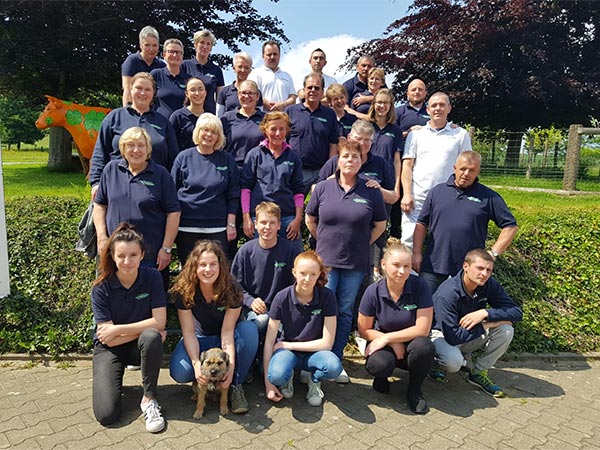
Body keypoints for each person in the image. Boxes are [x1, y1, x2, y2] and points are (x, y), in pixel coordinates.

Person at [306, 141, 387, 383]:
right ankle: (316, 357)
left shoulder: (371, 190)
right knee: (321, 309)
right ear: (338, 160)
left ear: (362, 161)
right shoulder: (322, 188)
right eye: (346, 156)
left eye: (355, 156)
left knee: (343, 311)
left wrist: (363, 243)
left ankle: (336, 359)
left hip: (355, 264)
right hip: (326, 263)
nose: (350, 160)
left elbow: (380, 225)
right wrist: (325, 242)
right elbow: (311, 219)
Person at [91, 223, 167, 433]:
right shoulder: (101, 287)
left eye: (133, 255)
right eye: (121, 256)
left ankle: (149, 398)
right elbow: (107, 340)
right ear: (112, 256)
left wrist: (116, 329)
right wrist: (146, 328)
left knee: (152, 337)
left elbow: (160, 321)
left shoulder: (152, 277)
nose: (127, 261)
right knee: (106, 415)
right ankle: (112, 382)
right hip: (109, 350)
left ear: (142, 254)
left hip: (139, 346)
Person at [169, 240, 259, 414]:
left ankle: (235, 385)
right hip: (199, 338)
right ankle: (202, 383)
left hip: (225, 337)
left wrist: (230, 369)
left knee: (249, 330)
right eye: (202, 265)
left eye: (212, 264)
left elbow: (227, 333)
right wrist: (196, 365)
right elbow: (188, 332)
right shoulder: (185, 290)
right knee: (180, 372)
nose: (208, 270)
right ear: (194, 266)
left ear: (221, 266)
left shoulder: (232, 289)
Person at [413, 151, 519, 293]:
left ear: (478, 172)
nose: (466, 173)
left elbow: (511, 227)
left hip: (468, 270)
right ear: (454, 168)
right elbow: (421, 224)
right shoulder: (437, 192)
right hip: (433, 266)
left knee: (464, 313)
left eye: (472, 170)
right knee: (426, 309)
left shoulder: (489, 197)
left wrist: (492, 254)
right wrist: (416, 253)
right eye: (463, 169)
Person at [93, 127, 181, 289]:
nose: (136, 150)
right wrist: (102, 238)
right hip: (115, 254)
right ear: (123, 148)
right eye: (130, 145)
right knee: (114, 299)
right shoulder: (110, 170)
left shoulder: (161, 174)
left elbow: (173, 213)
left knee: (150, 303)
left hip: (150, 255)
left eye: (141, 145)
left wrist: (166, 249)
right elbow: (99, 205)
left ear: (148, 148)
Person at [431, 248, 523, 398]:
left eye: (489, 270)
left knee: (506, 330)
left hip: (467, 333)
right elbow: (452, 336)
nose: (484, 274)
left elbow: (516, 312)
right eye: (480, 268)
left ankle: (478, 372)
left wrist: (485, 313)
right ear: (465, 266)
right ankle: (436, 362)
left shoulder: (488, 284)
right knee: (453, 363)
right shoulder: (447, 293)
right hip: (443, 335)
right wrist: (487, 324)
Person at [358, 238, 434, 414]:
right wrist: (389, 342)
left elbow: (423, 329)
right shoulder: (373, 291)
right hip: (384, 344)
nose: (401, 271)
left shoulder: (420, 286)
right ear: (383, 264)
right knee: (377, 365)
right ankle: (382, 376)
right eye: (396, 265)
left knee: (425, 347)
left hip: (411, 344)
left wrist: (389, 337)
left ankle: (415, 390)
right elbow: (364, 329)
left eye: (406, 266)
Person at [263, 251, 342, 407]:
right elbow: (269, 342)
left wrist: (289, 345)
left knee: (334, 367)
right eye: (303, 273)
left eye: (313, 274)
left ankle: (314, 381)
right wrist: (268, 384)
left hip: (315, 352)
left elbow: (327, 344)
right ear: (294, 272)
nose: (307, 279)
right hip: (287, 353)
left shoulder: (328, 296)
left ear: (319, 274)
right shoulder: (281, 297)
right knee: (276, 375)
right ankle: (287, 377)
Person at [401, 92, 472, 247]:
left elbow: (467, 167)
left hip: (448, 198)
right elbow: (407, 166)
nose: (438, 108)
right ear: (427, 110)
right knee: (408, 242)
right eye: (434, 105)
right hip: (418, 197)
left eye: (442, 105)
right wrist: (406, 194)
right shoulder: (416, 135)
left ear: (449, 108)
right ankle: (409, 272)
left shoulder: (460, 134)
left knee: (444, 243)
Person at [89, 72, 179, 194]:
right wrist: (96, 183)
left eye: (147, 89)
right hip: (115, 187)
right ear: (131, 90)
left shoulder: (164, 123)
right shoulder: (114, 117)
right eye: (138, 88)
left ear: (153, 94)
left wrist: (171, 188)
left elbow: (173, 160)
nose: (143, 93)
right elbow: (100, 153)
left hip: (154, 190)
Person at [171, 113, 240, 265]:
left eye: (214, 132)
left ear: (219, 136)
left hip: (217, 227)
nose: (209, 135)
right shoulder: (183, 158)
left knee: (217, 272)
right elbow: (171, 195)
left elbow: (233, 194)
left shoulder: (226, 159)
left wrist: (231, 224)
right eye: (205, 130)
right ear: (197, 132)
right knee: (189, 273)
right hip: (186, 227)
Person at [231, 202, 299, 337]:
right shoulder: (245, 251)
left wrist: (281, 306)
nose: (267, 227)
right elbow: (234, 285)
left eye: (272, 223)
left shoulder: (290, 250)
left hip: (282, 309)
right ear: (256, 224)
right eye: (263, 222)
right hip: (252, 309)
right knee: (260, 323)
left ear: (279, 225)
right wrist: (250, 301)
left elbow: (296, 285)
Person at [241, 111, 304, 251]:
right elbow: (246, 188)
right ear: (265, 129)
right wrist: (247, 218)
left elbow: (298, 191)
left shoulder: (293, 157)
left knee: (295, 260)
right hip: (260, 219)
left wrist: (298, 219)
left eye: (282, 129)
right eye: (273, 129)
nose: (278, 133)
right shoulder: (254, 155)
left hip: (287, 218)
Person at [317, 120, 397, 205]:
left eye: (367, 140)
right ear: (349, 138)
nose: (362, 143)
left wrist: (378, 190)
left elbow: (392, 198)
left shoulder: (381, 163)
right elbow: (315, 189)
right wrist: (329, 184)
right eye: (358, 139)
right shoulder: (335, 161)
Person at [285, 73, 339, 192]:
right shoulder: (291, 111)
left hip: (322, 172)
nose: (313, 90)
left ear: (322, 92)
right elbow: (283, 141)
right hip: (297, 171)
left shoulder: (330, 114)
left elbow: (333, 144)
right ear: (304, 90)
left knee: (321, 209)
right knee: (295, 208)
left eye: (317, 88)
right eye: (309, 87)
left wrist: (331, 170)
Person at [390, 78, 429, 239]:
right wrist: (409, 131)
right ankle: (395, 233)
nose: (417, 92)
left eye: (420, 89)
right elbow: (392, 135)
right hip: (402, 159)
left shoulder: (431, 111)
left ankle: (423, 231)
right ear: (407, 93)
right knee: (399, 193)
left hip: (425, 161)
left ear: (425, 93)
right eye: (413, 89)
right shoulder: (399, 112)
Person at [221, 80, 265, 169]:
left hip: (260, 170)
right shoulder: (226, 118)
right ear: (238, 95)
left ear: (257, 96)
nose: (246, 96)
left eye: (251, 93)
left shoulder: (266, 119)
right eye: (243, 93)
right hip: (234, 169)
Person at [181, 29, 225, 114]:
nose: (205, 46)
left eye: (208, 44)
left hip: (209, 115)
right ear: (195, 44)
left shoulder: (216, 70)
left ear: (211, 48)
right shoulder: (184, 65)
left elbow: (220, 99)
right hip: (187, 115)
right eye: (202, 42)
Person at [121, 26, 165, 107]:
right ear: (141, 45)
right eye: (147, 45)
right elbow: (127, 89)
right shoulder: (132, 61)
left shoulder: (162, 65)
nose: (151, 49)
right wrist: (127, 113)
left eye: (154, 45)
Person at [249, 40, 296, 111]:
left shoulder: (287, 76)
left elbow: (293, 97)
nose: (272, 57)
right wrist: (270, 105)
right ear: (263, 56)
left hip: (284, 118)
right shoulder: (255, 74)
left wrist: (282, 105)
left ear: (279, 55)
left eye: (275, 54)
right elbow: (252, 94)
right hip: (262, 118)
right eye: (269, 54)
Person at [151, 38, 191, 119]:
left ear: (182, 55)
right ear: (164, 55)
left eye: (178, 52)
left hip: (182, 126)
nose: (175, 55)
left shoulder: (189, 79)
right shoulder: (156, 75)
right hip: (159, 125)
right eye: (171, 52)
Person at [217, 52, 264, 117]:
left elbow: (260, 117)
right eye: (240, 67)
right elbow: (218, 117)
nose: (243, 70)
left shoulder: (256, 93)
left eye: (246, 68)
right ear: (234, 68)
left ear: (250, 70)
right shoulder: (224, 91)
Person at [169, 77, 207, 152]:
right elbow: (170, 145)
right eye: (193, 90)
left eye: (200, 89)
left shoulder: (209, 117)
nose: (197, 93)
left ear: (205, 92)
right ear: (187, 93)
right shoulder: (177, 116)